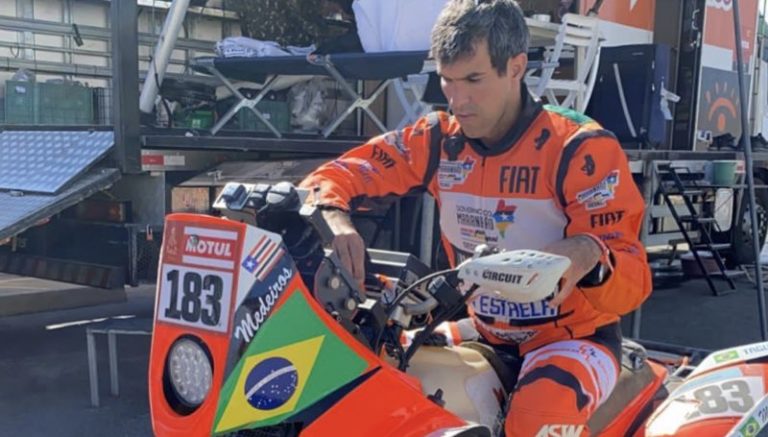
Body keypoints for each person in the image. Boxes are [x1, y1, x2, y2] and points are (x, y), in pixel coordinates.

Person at [299, 0, 652, 434]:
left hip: (573, 337)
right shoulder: (437, 139)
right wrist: (333, 217)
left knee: (538, 414)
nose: (458, 100)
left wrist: (587, 252)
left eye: (473, 79)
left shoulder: (579, 148)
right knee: (367, 370)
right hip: (483, 329)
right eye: (447, 80)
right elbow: (335, 175)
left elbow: (634, 279)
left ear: (516, 67)